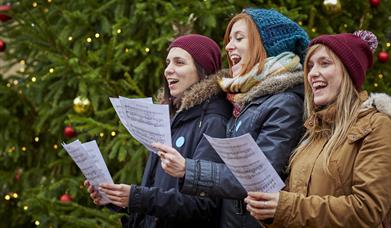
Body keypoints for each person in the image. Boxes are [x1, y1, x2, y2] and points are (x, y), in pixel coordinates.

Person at [154, 8, 309, 227]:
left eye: (239, 38)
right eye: (229, 39)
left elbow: (258, 177)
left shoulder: (284, 103)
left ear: (266, 45)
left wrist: (189, 169)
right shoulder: (245, 98)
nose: (228, 46)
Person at [245, 31, 391, 227]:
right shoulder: (312, 134)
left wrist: (285, 207)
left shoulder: (377, 126)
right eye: (310, 66)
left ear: (348, 72)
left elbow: (368, 210)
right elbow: (293, 207)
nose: (312, 73)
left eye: (324, 63)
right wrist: (270, 210)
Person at [85, 34, 232, 228]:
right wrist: (117, 199)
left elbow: (203, 206)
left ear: (203, 70)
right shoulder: (173, 118)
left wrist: (135, 197)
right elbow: (157, 194)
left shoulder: (214, 121)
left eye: (179, 62)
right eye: (168, 62)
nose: (168, 70)